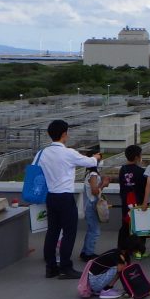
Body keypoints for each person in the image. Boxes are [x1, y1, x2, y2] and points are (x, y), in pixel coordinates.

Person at [39, 119, 100, 279]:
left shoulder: (43, 153)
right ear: (64, 134)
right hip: (65, 197)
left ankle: (51, 267)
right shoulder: (68, 153)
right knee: (69, 232)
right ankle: (66, 267)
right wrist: (96, 157)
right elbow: (89, 162)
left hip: (51, 196)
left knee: (52, 231)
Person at [79, 159, 110, 262]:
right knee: (94, 231)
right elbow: (95, 191)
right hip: (91, 206)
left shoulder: (90, 174)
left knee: (91, 229)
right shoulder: (93, 174)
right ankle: (88, 253)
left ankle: (85, 251)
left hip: (89, 205)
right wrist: (104, 184)